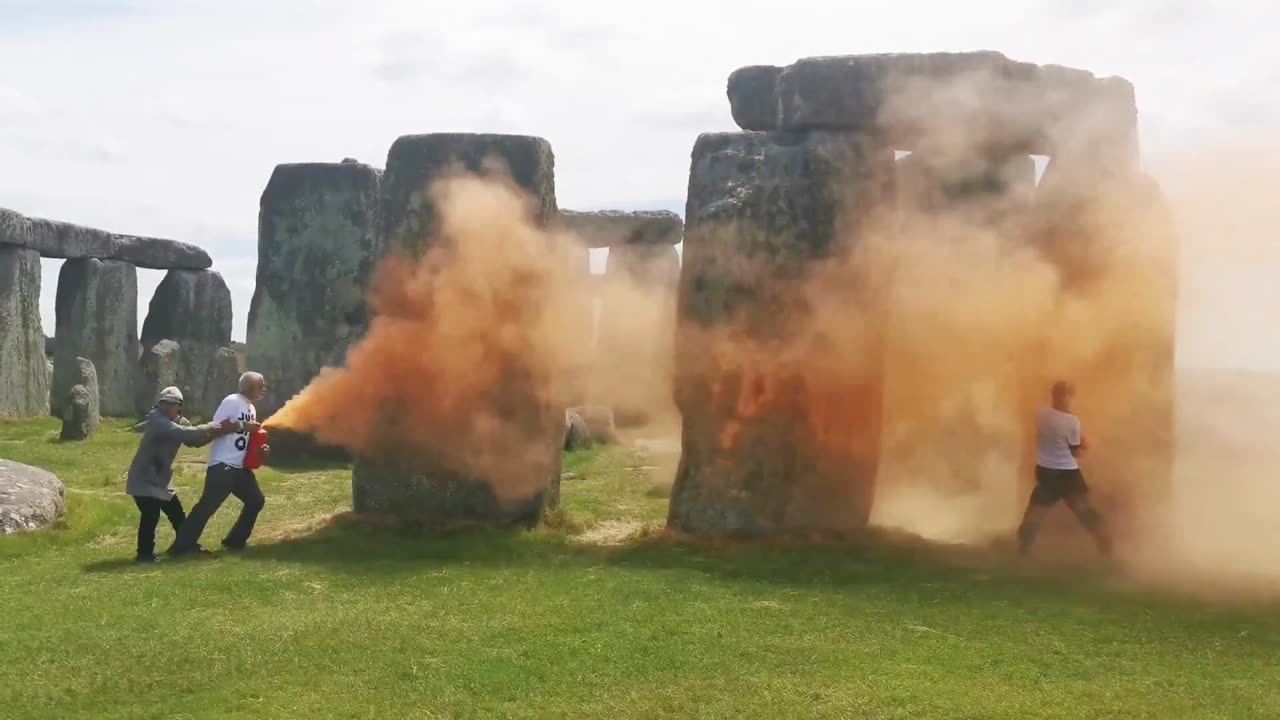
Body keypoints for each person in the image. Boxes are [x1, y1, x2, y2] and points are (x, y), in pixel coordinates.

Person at [168, 372, 271, 557]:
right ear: (249, 386)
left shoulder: (251, 407)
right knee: (207, 506)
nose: (264, 388)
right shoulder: (232, 401)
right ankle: (181, 547)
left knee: (256, 500)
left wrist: (260, 450)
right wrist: (241, 426)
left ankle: (235, 541)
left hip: (240, 468)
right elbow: (215, 428)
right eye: (261, 385)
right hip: (223, 465)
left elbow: (244, 438)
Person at [126, 386, 232, 563]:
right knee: (150, 515)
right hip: (144, 478)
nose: (166, 407)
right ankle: (144, 555)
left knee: (177, 514)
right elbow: (180, 433)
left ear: (179, 406)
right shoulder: (157, 419)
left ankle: (186, 545)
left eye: (171, 404)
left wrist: (217, 433)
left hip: (161, 479)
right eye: (164, 403)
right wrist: (210, 426)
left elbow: (195, 441)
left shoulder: (181, 422)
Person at [1016, 381, 1113, 557]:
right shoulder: (1072, 422)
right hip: (1068, 474)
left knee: (1036, 513)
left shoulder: (1041, 414)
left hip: (1046, 473)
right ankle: (1106, 547)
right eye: (1069, 396)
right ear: (1066, 397)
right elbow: (1075, 451)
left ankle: (1023, 550)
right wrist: (1084, 446)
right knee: (1085, 511)